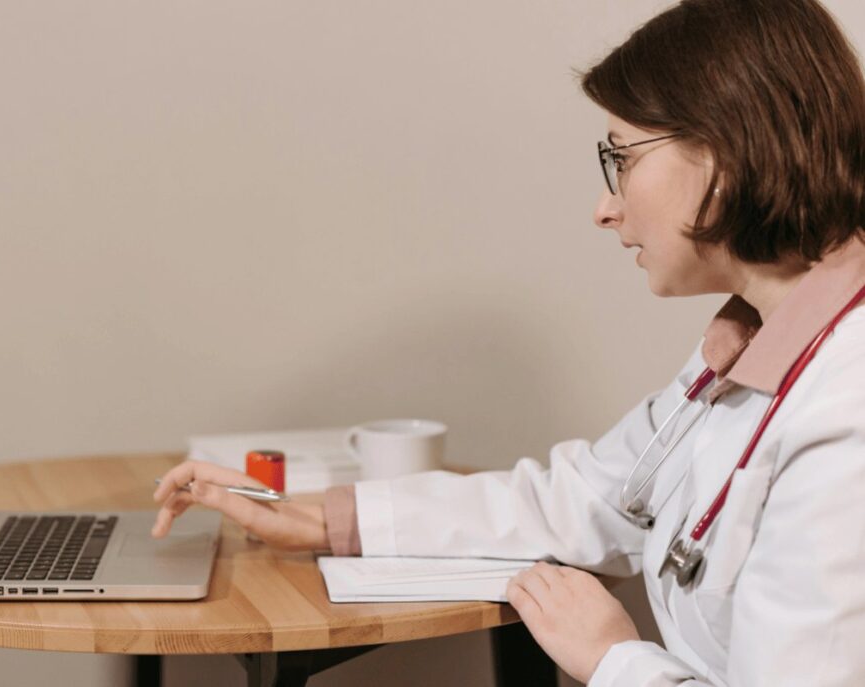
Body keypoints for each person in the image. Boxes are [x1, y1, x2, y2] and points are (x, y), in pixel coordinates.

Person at [151, 0, 865, 684]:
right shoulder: (751, 340)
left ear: (724, 154)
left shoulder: (845, 411)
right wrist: (322, 517)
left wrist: (614, 658)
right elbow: (591, 496)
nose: (605, 206)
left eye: (623, 158)